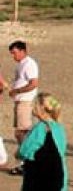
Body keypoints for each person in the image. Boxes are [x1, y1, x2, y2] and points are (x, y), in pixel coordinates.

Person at [19, 92, 67, 191]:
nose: (32, 107)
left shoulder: (40, 128)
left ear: (41, 107)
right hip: (59, 173)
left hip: (41, 176)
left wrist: (18, 153)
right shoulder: (59, 127)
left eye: (34, 104)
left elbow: (24, 151)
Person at [7, 40, 39, 176]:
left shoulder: (29, 64)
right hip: (20, 101)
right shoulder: (21, 64)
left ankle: (26, 161)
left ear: (22, 51)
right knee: (21, 132)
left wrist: (17, 91)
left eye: (14, 53)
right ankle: (25, 161)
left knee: (21, 132)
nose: (13, 56)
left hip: (25, 101)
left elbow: (34, 83)